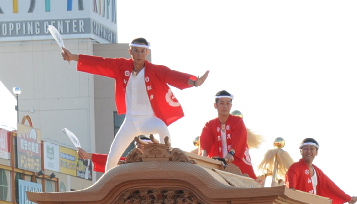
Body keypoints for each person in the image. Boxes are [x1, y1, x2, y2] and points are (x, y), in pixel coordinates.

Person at [61, 38, 208, 171]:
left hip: (149, 120)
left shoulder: (156, 70)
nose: (139, 54)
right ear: (130, 51)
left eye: (142, 51)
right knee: (113, 157)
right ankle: (105, 191)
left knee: (163, 130)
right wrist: (73, 57)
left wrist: (194, 81)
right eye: (136, 51)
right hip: (130, 121)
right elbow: (101, 62)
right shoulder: (122, 66)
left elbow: (173, 75)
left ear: (147, 53)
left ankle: (169, 167)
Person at [199, 90, 255, 177]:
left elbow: (239, 139)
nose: (225, 106)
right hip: (218, 163)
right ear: (215, 105)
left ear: (231, 106)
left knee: (248, 181)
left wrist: (231, 153)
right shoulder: (210, 125)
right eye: (222, 103)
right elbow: (205, 142)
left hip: (236, 160)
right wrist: (203, 156)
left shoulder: (238, 121)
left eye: (228, 103)